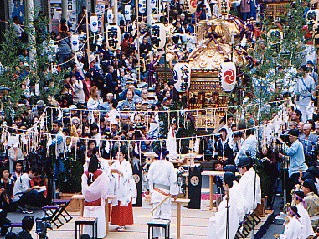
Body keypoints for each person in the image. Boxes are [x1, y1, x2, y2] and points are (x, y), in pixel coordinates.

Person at [147, 147, 179, 239]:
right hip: (166, 192)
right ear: (166, 155)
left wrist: (151, 191)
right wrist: (174, 193)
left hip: (156, 192)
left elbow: (149, 179)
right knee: (165, 215)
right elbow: (173, 180)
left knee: (156, 215)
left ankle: (155, 236)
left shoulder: (153, 164)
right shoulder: (169, 165)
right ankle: (166, 236)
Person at [81, 155, 111, 238]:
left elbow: (84, 190)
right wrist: (103, 196)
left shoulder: (85, 175)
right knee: (99, 219)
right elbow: (105, 187)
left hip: (88, 202)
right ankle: (99, 234)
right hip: (98, 201)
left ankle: (87, 234)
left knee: (88, 217)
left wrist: (88, 194)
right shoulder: (102, 174)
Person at [207, 172, 244, 239]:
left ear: (227, 185)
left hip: (228, 223)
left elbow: (223, 214)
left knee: (212, 222)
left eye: (224, 184)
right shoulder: (235, 190)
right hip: (233, 221)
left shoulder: (232, 196)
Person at [278, 129, 308, 203]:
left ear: (294, 137)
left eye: (290, 136)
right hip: (294, 170)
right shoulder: (294, 144)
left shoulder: (297, 144)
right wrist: (283, 157)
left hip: (298, 170)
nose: (289, 138)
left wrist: (282, 143)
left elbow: (289, 152)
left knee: (296, 189)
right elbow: (292, 158)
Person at [110, 149, 136, 231]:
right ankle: (117, 222)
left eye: (120, 155)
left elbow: (128, 174)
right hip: (116, 186)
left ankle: (123, 223)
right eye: (117, 155)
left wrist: (120, 173)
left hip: (124, 187)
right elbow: (109, 172)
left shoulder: (127, 164)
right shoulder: (114, 164)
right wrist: (113, 172)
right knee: (116, 204)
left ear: (123, 155)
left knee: (123, 204)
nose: (118, 157)